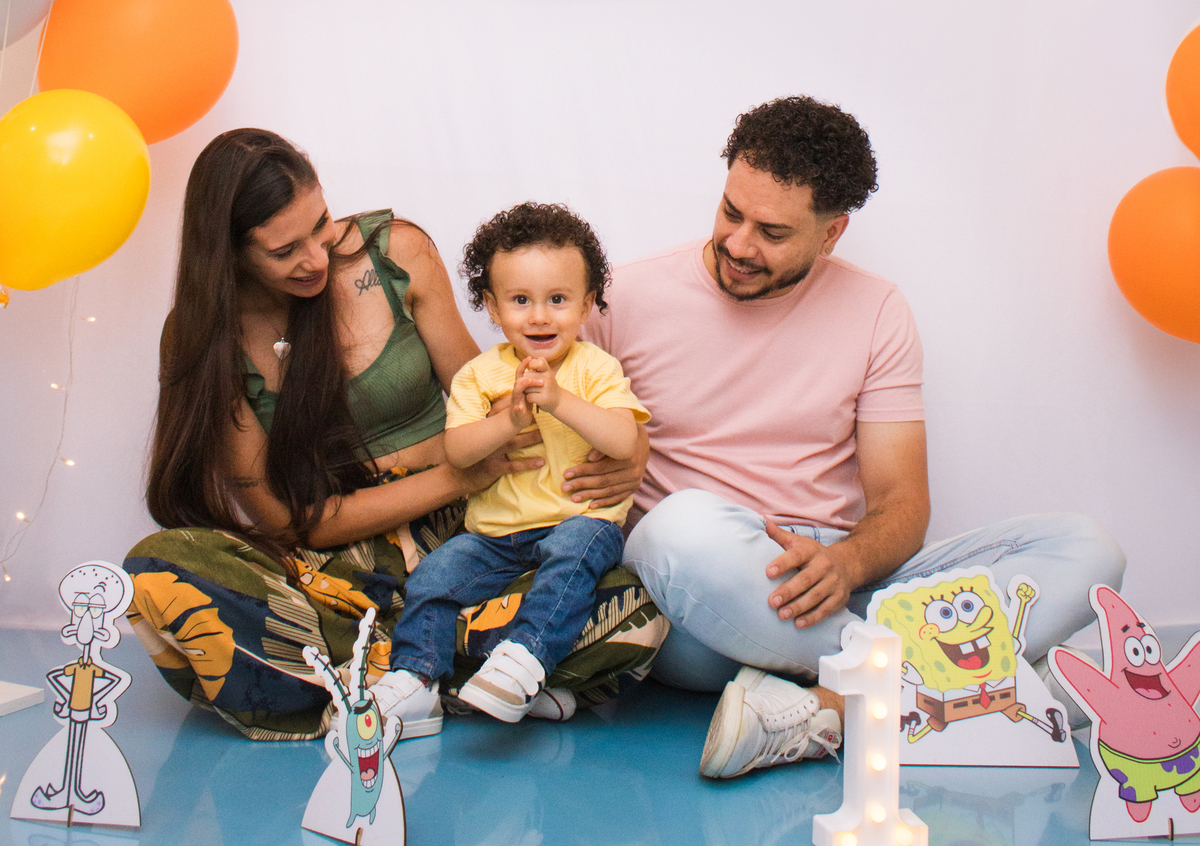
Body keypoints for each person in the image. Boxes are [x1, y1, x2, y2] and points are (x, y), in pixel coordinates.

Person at [580, 96, 1126, 777]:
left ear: (832, 232)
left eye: (772, 232)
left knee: (1086, 549)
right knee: (673, 530)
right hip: (704, 603)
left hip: (842, 579)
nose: (739, 244)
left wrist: (845, 565)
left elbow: (902, 504)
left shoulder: (877, 310)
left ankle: (833, 707)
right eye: (730, 212)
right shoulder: (620, 298)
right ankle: (963, 688)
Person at [122, 129, 665, 741]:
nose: (316, 258)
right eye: (284, 251)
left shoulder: (396, 254)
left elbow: (491, 396)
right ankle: (450, 670)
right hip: (334, 568)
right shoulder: (205, 335)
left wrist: (630, 445)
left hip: (464, 540)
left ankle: (389, 673)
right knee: (157, 570)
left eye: (320, 225)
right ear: (230, 254)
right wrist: (456, 473)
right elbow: (288, 521)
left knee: (635, 609)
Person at [372, 202, 651, 730]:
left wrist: (560, 401)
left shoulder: (595, 368)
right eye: (521, 300)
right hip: (496, 536)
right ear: (493, 308)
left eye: (558, 299)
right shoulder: (479, 376)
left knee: (572, 563)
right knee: (432, 577)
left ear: (586, 304)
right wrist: (508, 421)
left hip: (578, 524)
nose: (539, 316)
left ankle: (525, 662)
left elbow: (623, 439)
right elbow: (458, 452)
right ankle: (417, 680)